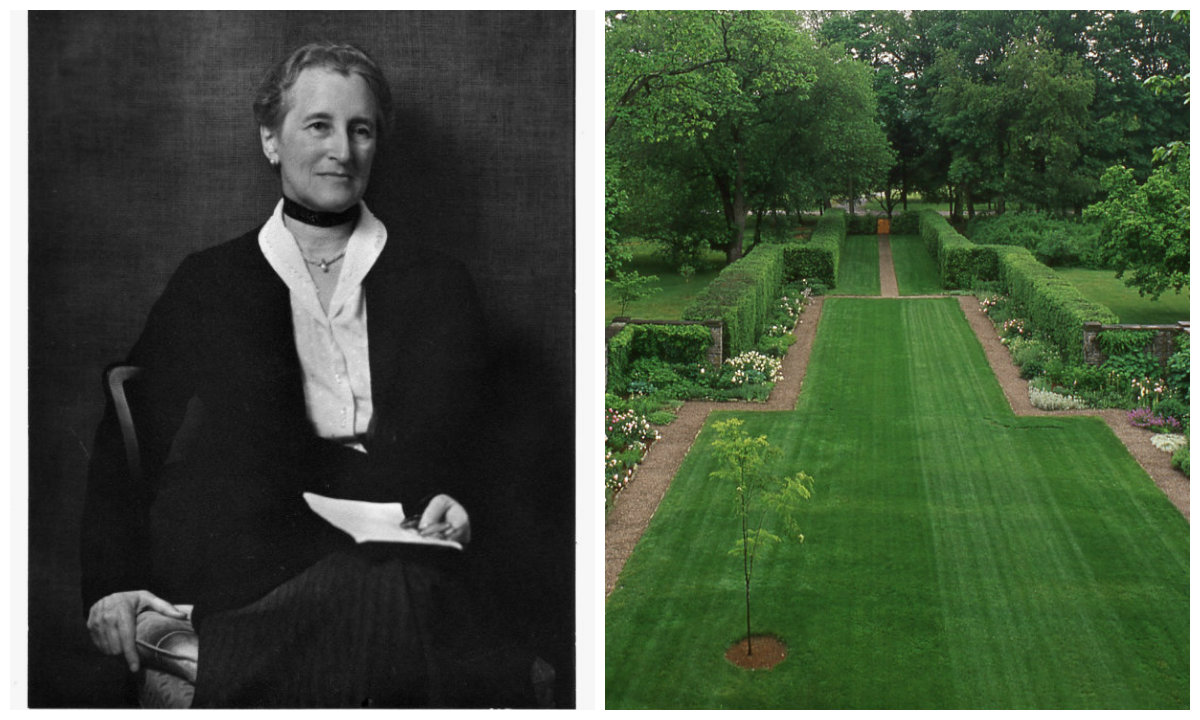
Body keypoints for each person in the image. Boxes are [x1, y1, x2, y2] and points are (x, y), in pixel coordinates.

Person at [80, 41, 539, 707]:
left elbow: (486, 444)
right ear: (271, 139)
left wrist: (465, 506)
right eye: (318, 125)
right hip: (257, 555)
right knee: (406, 605)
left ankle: (206, 656)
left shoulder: (438, 282)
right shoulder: (209, 281)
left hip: (409, 538)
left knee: (402, 586)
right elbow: (127, 438)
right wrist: (111, 583)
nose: (343, 151)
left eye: (362, 130)